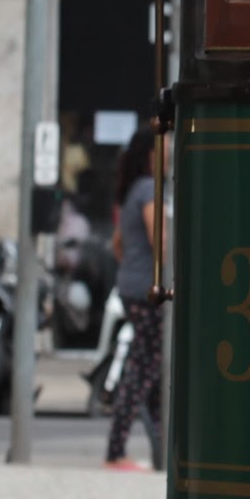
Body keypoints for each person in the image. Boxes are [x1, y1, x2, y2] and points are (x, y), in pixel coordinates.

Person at [104, 122, 165, 470]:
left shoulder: (132, 190)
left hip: (131, 285)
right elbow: (160, 239)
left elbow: (117, 243)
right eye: (164, 149)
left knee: (153, 368)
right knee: (145, 368)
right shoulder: (148, 190)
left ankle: (161, 450)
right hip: (147, 290)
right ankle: (115, 452)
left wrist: (131, 266)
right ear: (151, 155)